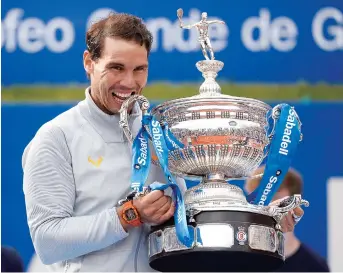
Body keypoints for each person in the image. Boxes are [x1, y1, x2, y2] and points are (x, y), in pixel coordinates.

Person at [22, 13, 304, 272]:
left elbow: (184, 221)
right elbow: (48, 241)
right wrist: (129, 215)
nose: (128, 82)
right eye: (116, 68)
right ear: (89, 63)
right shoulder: (56, 138)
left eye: (139, 69)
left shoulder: (157, 132)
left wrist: (263, 217)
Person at [245, 166, 330, 272]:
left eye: (276, 199)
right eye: (260, 201)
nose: (269, 208)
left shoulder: (315, 267)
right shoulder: (239, 263)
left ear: (295, 205)